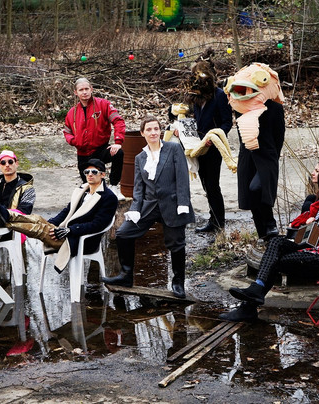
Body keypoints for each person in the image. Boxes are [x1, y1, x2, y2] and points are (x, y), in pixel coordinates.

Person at [219, 165, 319, 322]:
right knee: (276, 242)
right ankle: (256, 291)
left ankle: (249, 306)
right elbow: (310, 233)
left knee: (275, 261)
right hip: (312, 249)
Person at [102, 116, 195, 298]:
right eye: (149, 130)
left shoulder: (174, 148)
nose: (153, 132)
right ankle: (126, 276)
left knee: (176, 243)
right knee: (123, 233)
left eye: (156, 129)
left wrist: (183, 203)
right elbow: (139, 188)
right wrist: (135, 209)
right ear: (142, 133)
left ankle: (178, 283)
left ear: (160, 131)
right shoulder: (140, 157)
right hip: (150, 205)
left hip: (172, 203)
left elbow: (182, 178)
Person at [0, 158, 118, 273]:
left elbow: (99, 224)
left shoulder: (109, 197)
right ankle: (5, 214)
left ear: (102, 175)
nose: (89, 174)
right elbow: (67, 211)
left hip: (81, 240)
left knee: (40, 230)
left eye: (94, 172)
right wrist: (49, 223)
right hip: (63, 232)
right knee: (37, 220)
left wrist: (70, 230)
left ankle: (4, 220)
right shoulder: (82, 190)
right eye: (86, 172)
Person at [224, 63, 285, 240]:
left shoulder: (275, 109)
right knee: (250, 196)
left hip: (266, 157)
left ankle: (270, 223)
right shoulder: (241, 109)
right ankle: (263, 234)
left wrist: (273, 156)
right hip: (247, 158)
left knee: (258, 188)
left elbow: (278, 136)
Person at [183, 52, 233, 233]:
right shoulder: (196, 97)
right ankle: (213, 218)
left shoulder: (219, 95)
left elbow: (227, 122)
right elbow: (190, 118)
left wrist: (216, 136)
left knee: (212, 185)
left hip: (213, 147)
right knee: (205, 184)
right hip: (197, 146)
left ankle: (218, 222)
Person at [63, 77, 126, 200]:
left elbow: (118, 121)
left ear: (91, 89)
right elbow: (67, 131)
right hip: (83, 154)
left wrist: (118, 142)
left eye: (87, 89)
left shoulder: (104, 105)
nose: (84, 92)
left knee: (118, 153)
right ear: (76, 92)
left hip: (100, 149)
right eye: (81, 90)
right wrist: (73, 141)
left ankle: (113, 186)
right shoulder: (72, 112)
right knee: (88, 188)